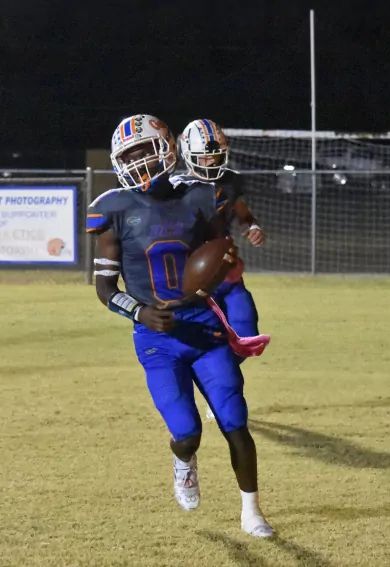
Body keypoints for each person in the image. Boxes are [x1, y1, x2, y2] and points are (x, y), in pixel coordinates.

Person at [86, 114, 274, 538]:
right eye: (128, 156)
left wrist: (223, 262)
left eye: (143, 151)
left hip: (203, 327)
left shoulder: (200, 196)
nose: (137, 162)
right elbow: (104, 288)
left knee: (234, 420)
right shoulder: (113, 209)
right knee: (187, 432)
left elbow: (219, 249)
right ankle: (184, 460)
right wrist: (139, 312)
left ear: (167, 148)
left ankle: (252, 512)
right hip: (157, 337)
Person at [171, 119, 266, 420]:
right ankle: (217, 390)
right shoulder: (175, 188)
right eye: (205, 156)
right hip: (198, 283)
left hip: (229, 274)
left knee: (247, 336)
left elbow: (243, 214)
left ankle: (215, 384)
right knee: (204, 343)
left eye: (216, 155)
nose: (212, 161)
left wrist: (252, 227)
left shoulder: (230, 181)